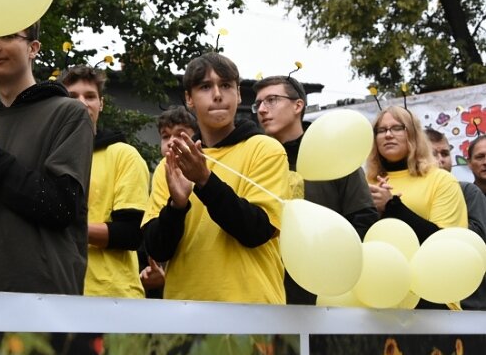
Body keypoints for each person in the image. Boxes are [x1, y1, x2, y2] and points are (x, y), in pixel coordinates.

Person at [142, 52, 289, 303]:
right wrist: (176, 207)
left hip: (254, 309)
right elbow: (157, 250)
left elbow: (256, 231)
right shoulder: (174, 163)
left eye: (226, 85)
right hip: (184, 312)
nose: (217, 94)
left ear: (239, 94)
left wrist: (205, 181)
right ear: (189, 98)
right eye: (205, 86)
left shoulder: (266, 149)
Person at [0, 22, 93, 295]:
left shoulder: (69, 113)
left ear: (33, 48)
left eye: (8, 36)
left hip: (41, 295)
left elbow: (60, 206)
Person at [253, 75, 378, 304]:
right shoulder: (255, 159)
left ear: (298, 105)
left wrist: (335, 267)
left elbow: (363, 219)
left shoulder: (333, 151)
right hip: (265, 287)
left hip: (326, 291)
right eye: (258, 103)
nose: (262, 109)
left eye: (271, 100)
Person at [59, 65, 149, 298]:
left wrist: (60, 226)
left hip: (113, 296)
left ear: (101, 104)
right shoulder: (50, 158)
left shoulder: (124, 155)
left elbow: (130, 234)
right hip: (58, 294)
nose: (82, 103)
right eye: (72, 97)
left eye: (90, 96)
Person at [367, 107, 467, 308]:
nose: (388, 134)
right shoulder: (364, 182)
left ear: (413, 134)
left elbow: (446, 247)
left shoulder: (441, 180)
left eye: (397, 128)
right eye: (381, 130)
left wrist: (392, 206)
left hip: (432, 300)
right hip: (376, 299)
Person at [141, 106, 199, 298]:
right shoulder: (162, 170)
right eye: (165, 136)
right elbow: (156, 244)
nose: (171, 142)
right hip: (180, 291)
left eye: (181, 136)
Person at [426, 128, 486, 310]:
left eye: (445, 153)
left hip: (473, 302)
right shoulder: (401, 195)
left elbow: (477, 240)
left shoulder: (467, 193)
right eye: (432, 153)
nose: (439, 160)